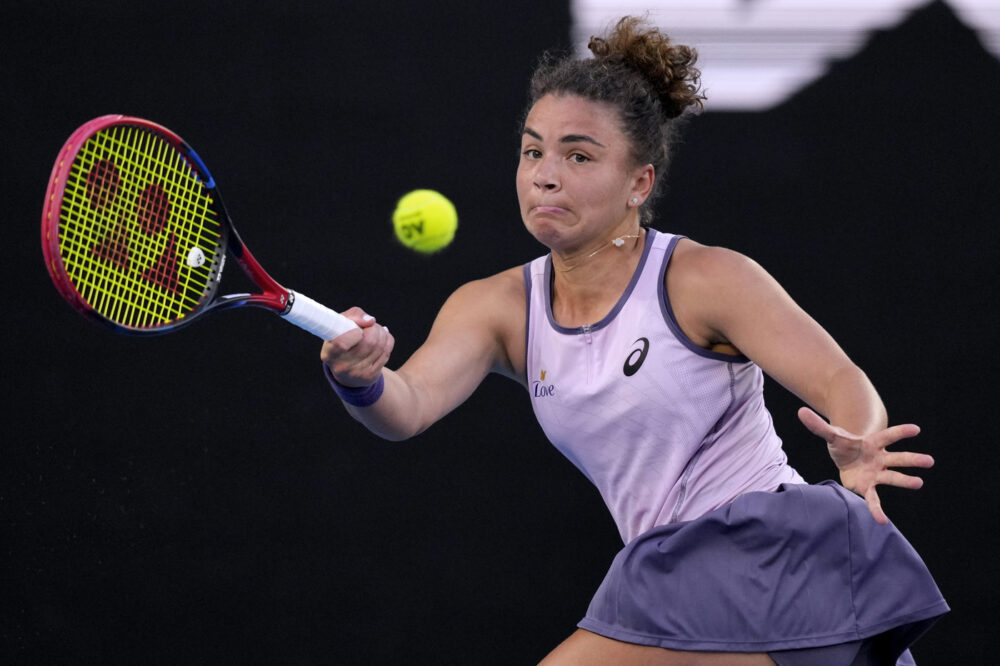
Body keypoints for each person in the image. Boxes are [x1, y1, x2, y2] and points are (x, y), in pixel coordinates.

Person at [320, 16, 948, 665]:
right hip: (682, 583)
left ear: (638, 184)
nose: (545, 175)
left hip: (775, 556)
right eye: (533, 151)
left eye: (579, 155)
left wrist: (860, 442)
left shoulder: (705, 278)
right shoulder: (496, 307)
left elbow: (841, 381)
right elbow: (409, 404)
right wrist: (360, 378)